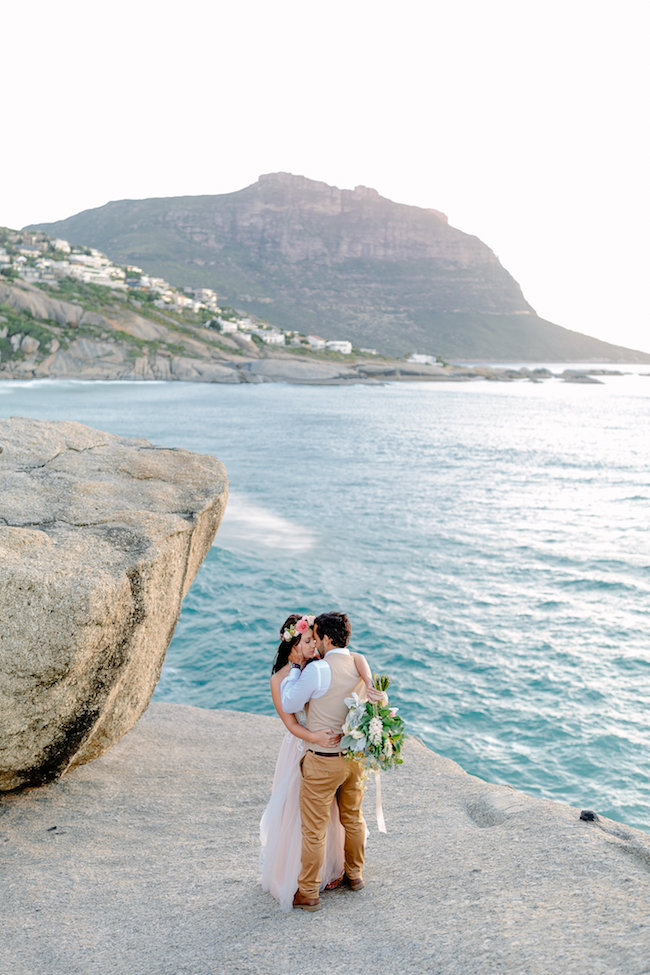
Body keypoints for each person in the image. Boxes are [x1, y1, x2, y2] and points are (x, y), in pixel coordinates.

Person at [260, 613, 374, 912]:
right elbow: (289, 720)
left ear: (323, 638)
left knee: (320, 825)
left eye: (314, 639)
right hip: (313, 749)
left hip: (321, 758)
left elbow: (297, 703)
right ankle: (351, 874)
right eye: (306, 640)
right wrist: (311, 736)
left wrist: (316, 738)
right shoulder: (286, 677)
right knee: (337, 819)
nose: (313, 645)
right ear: (292, 644)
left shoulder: (318, 669)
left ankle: (313, 887)